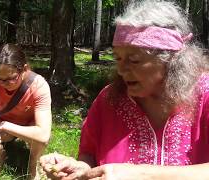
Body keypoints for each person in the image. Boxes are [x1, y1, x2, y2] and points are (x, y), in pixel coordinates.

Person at [40, 0, 209, 179]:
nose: (122, 70)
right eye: (118, 58)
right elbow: (89, 155)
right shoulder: (108, 100)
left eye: (134, 60)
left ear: (170, 60)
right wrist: (81, 169)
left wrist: (140, 174)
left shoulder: (204, 95)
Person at [0, 43, 52, 179]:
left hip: (28, 124)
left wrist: (5, 126)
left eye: (11, 79)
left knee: (39, 141)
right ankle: (1, 157)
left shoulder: (39, 85)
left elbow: (43, 134)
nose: (3, 83)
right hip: (1, 120)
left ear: (24, 69)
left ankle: (32, 164)